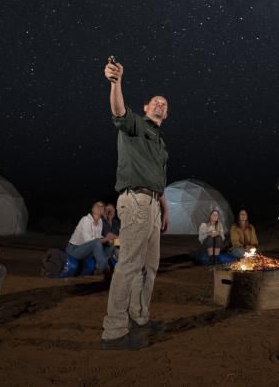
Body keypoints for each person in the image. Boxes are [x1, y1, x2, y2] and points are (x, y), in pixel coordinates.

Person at [101, 58, 170, 351]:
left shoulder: (160, 142)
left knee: (149, 267)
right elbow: (118, 111)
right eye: (155, 101)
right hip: (136, 201)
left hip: (153, 205)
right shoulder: (135, 126)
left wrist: (165, 209)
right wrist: (116, 82)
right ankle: (114, 331)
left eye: (164, 104)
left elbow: (159, 180)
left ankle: (140, 317)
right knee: (129, 265)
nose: (160, 105)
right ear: (145, 108)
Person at [66, 201, 115, 277]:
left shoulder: (100, 222)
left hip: (87, 250)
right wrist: (104, 239)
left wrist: (107, 240)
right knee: (98, 242)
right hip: (74, 249)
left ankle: (98, 267)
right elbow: (89, 240)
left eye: (102, 207)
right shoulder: (86, 220)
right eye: (97, 206)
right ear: (93, 209)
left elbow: (97, 238)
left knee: (111, 244)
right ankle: (106, 271)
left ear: (103, 211)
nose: (100, 207)